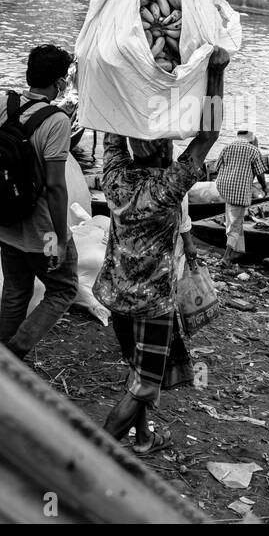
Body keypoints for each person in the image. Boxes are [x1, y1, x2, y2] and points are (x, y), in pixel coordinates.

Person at [95, 48, 229, 454]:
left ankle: (144, 437)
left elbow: (112, 127)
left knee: (136, 373)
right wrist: (217, 73)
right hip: (152, 303)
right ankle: (92, 454)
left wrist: (119, 73)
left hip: (115, 296)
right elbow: (208, 134)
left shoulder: (114, 176)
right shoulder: (167, 188)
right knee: (145, 384)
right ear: (161, 150)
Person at [0, 45, 77, 359]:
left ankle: (3, 362)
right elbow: (55, 187)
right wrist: (61, 240)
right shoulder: (56, 122)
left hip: (5, 222)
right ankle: (16, 349)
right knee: (63, 289)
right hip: (43, 231)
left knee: (15, 293)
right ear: (58, 82)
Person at [215, 130, 268, 264]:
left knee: (232, 219)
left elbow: (216, 168)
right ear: (252, 140)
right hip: (239, 192)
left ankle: (238, 251)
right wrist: (265, 188)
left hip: (224, 188)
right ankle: (226, 258)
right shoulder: (253, 150)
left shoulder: (227, 147)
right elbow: (260, 174)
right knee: (236, 224)